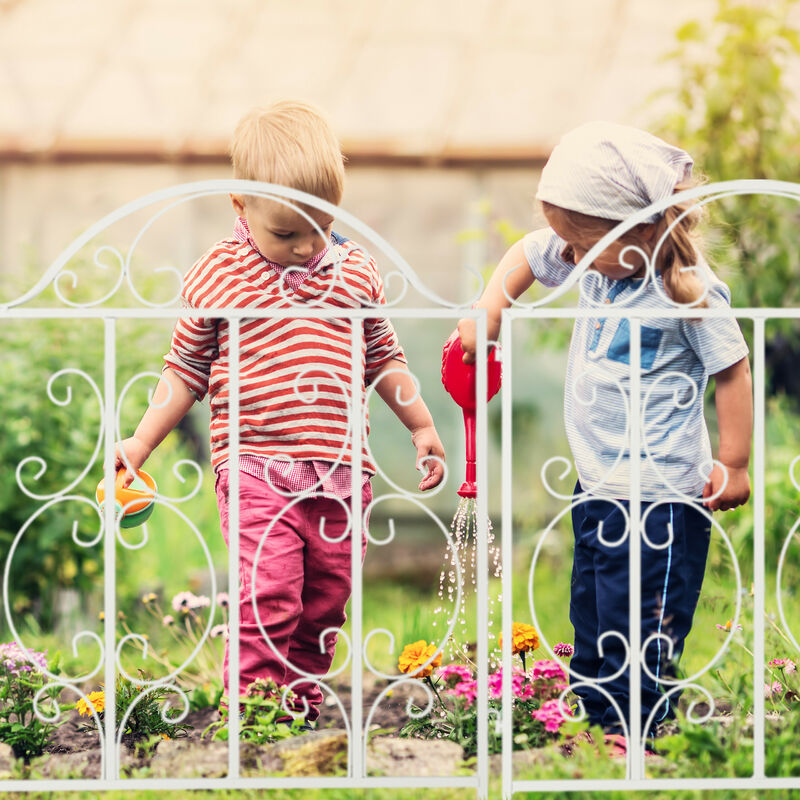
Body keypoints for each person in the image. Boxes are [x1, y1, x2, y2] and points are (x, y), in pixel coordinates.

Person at [114, 101, 446, 726]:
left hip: (342, 471)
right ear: (240, 206)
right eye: (286, 234)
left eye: (321, 227)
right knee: (268, 592)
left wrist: (422, 425)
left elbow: (384, 357)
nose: (306, 247)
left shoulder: (356, 273)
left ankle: (298, 704)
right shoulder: (218, 274)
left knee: (325, 600)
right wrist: (140, 442)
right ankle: (253, 713)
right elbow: (184, 369)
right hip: (255, 466)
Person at [458, 121, 752, 750]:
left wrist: (734, 463)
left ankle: (637, 728)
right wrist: (490, 310)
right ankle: (597, 717)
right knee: (592, 606)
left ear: (641, 231)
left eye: (581, 245)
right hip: (598, 483)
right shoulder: (597, 263)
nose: (569, 257)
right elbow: (527, 254)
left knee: (642, 617)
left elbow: (733, 370)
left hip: (661, 495)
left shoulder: (688, 292)